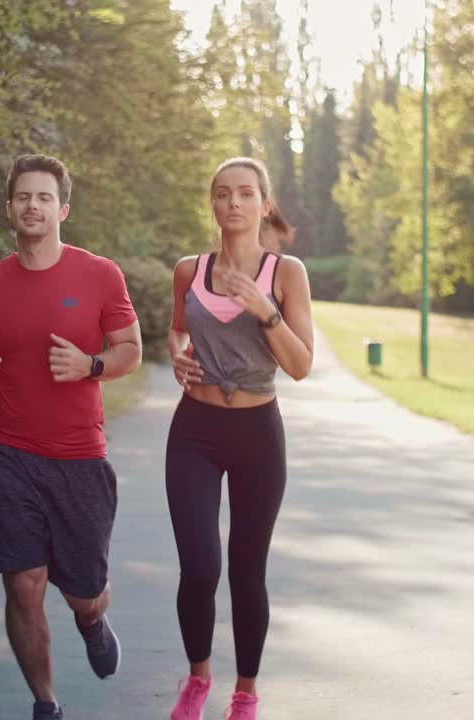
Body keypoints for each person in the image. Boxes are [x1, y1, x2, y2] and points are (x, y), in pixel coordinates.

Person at [0, 154, 143, 720]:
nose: (33, 205)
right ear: (9, 208)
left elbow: (131, 349)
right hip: (8, 455)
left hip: (80, 459)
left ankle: (91, 619)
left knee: (83, 592)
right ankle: (46, 705)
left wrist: (92, 366)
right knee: (24, 584)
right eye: (23, 197)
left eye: (44, 197)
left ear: (63, 209)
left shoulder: (100, 275)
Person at [165, 157, 314, 720]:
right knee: (200, 568)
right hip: (195, 432)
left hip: (257, 432)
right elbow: (177, 331)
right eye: (223, 194)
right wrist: (178, 358)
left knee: (248, 570)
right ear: (213, 204)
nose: (233, 203)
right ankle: (198, 680)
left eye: (245, 193)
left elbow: (300, 366)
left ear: (263, 204)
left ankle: (245, 693)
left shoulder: (285, 272)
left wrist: (265, 311)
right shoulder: (189, 270)